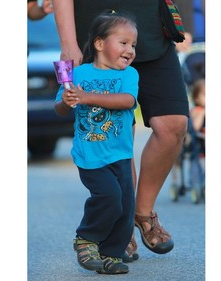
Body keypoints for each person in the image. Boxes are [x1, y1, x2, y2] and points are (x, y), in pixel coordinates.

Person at [52, 0, 189, 262]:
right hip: (97, 30)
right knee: (118, 126)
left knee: (173, 123)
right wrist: (68, 43)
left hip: (150, 30)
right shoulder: (89, 59)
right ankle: (121, 227)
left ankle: (142, 212)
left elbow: (131, 102)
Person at [54, 11, 139, 275]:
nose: (130, 50)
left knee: (125, 208)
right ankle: (86, 237)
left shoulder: (129, 75)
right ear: (100, 44)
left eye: (133, 45)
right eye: (123, 43)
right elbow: (59, 107)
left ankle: (111, 253)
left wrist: (87, 97)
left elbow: (127, 101)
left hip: (120, 154)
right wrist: (66, 102)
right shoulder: (77, 75)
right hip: (90, 154)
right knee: (109, 198)